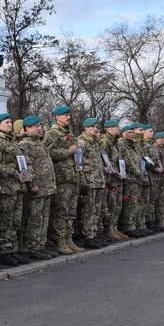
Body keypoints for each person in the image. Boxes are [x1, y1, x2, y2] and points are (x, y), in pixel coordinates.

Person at [0, 113, 27, 266]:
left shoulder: (12, 142)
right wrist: (14, 173)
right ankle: (5, 252)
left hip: (17, 187)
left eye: (11, 122)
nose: (10, 125)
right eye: (6, 122)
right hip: (6, 188)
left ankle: (13, 250)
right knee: (5, 222)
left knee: (15, 222)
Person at [43, 105, 83, 255]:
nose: (69, 117)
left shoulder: (70, 133)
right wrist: (68, 151)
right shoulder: (52, 133)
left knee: (71, 211)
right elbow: (48, 153)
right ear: (57, 117)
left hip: (73, 176)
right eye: (65, 115)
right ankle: (60, 241)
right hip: (62, 178)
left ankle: (69, 238)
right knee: (62, 210)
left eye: (69, 115)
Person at [18, 116, 57, 261]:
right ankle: (34, 247)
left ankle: (40, 245)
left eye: (40, 126)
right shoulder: (25, 144)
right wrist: (32, 183)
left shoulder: (40, 143)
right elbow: (26, 166)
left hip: (47, 187)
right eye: (36, 126)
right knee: (35, 218)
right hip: (37, 187)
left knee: (44, 217)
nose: (39, 128)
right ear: (27, 128)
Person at [76, 118, 105, 249]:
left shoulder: (94, 143)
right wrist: (84, 183)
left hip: (98, 181)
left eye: (96, 126)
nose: (95, 129)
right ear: (86, 128)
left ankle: (94, 234)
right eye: (92, 126)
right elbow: (80, 163)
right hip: (90, 181)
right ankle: (88, 236)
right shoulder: (82, 142)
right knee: (89, 210)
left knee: (96, 210)